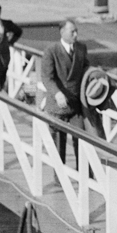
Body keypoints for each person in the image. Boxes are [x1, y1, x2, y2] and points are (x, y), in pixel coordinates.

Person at [40, 19, 98, 167]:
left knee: (82, 141)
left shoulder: (81, 48)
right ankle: (59, 177)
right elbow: (47, 77)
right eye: (72, 32)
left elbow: (86, 69)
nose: (76, 34)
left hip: (76, 105)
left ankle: (84, 174)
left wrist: (97, 79)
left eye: (76, 31)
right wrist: (57, 93)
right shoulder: (51, 51)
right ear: (62, 32)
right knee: (59, 146)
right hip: (57, 105)